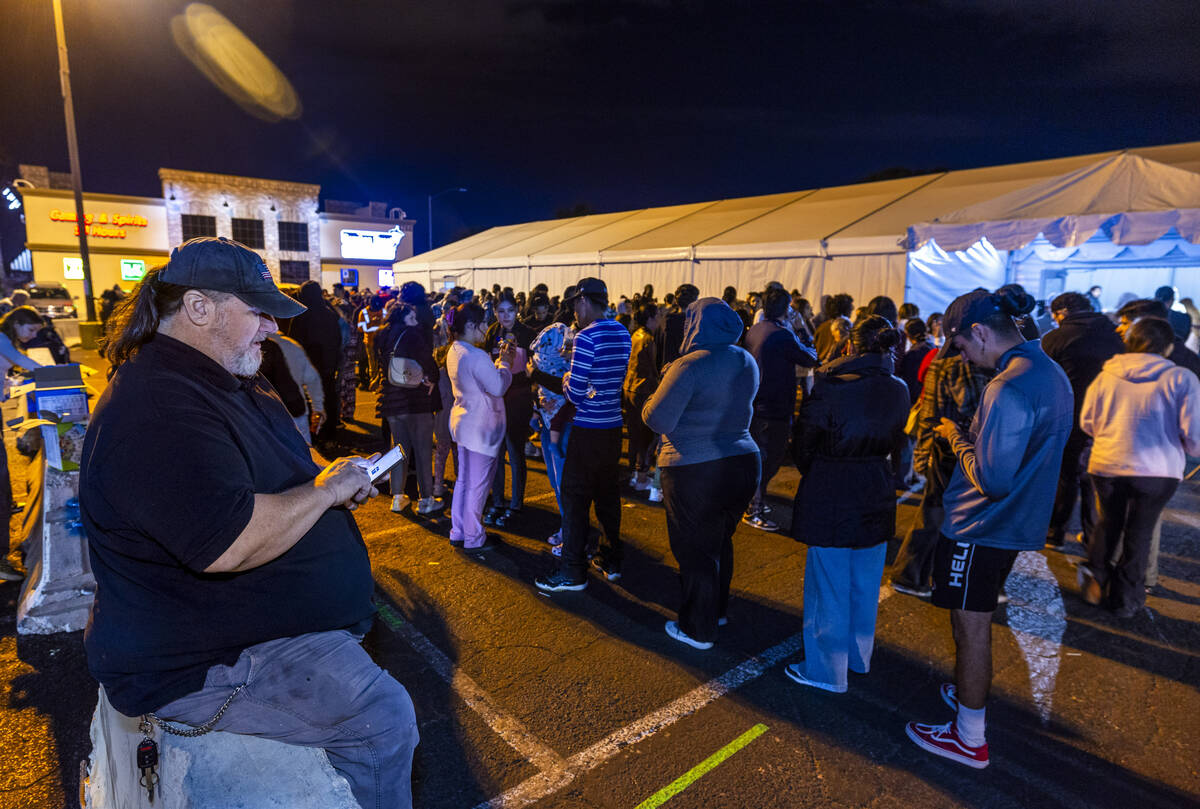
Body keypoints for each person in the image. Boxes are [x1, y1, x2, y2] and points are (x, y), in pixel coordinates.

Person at [79, 237, 418, 808]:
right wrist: (325, 492)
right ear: (198, 308)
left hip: (242, 630)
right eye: (257, 312)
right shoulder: (157, 406)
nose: (270, 328)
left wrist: (325, 483)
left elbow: (273, 470)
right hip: (200, 661)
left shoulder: (221, 374)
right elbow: (227, 540)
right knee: (383, 719)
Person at [906, 287, 1071, 770]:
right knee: (975, 619)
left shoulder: (1010, 386)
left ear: (978, 332)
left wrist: (957, 438)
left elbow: (994, 480)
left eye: (959, 345)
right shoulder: (1048, 371)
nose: (962, 355)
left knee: (970, 626)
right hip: (1013, 523)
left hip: (980, 525)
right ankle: (967, 693)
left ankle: (968, 735)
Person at [784, 314, 908, 693]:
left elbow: (803, 444)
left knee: (829, 583)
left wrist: (817, 469)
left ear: (850, 345)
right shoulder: (898, 387)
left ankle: (826, 671)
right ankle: (858, 657)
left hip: (834, 483)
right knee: (864, 581)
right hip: (876, 482)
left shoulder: (831, 385)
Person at [642, 298, 760, 649]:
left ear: (696, 324)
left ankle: (697, 628)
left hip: (695, 466)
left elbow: (657, 418)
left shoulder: (687, 366)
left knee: (695, 550)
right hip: (743, 460)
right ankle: (717, 611)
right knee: (721, 541)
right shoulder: (745, 359)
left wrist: (653, 394)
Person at [1077, 318, 1200, 617]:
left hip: (1108, 463)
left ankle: (1095, 580)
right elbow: (1194, 436)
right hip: (1157, 470)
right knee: (1140, 532)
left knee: (1108, 523)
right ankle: (1125, 600)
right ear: (1168, 345)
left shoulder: (1106, 376)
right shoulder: (1181, 379)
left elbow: (1087, 423)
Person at [536, 278, 632, 591]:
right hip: (612, 426)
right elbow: (607, 382)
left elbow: (576, 393)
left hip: (588, 427)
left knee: (575, 499)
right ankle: (610, 559)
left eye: (576, 305)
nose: (574, 312)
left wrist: (566, 377)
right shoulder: (622, 332)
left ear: (585, 302)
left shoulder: (586, 337)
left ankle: (572, 571)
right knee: (607, 496)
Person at [889, 351, 993, 599]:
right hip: (950, 450)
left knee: (942, 515)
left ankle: (921, 574)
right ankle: (910, 575)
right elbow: (933, 414)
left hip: (960, 450)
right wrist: (924, 456)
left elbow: (930, 414)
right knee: (935, 514)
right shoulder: (955, 367)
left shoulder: (979, 364)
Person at [1040, 292, 1125, 550]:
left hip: (1067, 415)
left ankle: (1056, 531)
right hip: (1109, 417)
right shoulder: (1116, 335)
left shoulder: (1055, 338)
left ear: (1062, 312)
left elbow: (1043, 379)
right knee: (1096, 478)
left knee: (1065, 475)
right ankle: (1093, 537)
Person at [742, 287, 818, 531]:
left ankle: (755, 504)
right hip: (774, 406)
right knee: (770, 460)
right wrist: (800, 327)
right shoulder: (781, 334)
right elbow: (811, 356)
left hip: (756, 403)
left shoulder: (756, 330)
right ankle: (754, 510)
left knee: (760, 458)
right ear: (787, 309)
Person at [446, 302, 514, 551]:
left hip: (463, 423)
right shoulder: (475, 355)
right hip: (480, 428)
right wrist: (505, 364)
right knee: (477, 485)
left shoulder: (455, 350)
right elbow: (497, 387)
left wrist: (495, 364)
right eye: (484, 323)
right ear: (473, 326)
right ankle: (474, 537)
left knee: (464, 481)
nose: (487, 327)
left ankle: (459, 530)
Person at [376, 302, 443, 515]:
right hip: (415, 400)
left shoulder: (382, 334)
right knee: (423, 450)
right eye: (411, 316)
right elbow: (428, 361)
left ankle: (397, 497)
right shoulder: (413, 335)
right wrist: (432, 378)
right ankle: (426, 499)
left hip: (392, 400)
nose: (415, 320)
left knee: (399, 449)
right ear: (403, 317)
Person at [483, 292, 536, 528]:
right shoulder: (492, 332)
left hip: (519, 399)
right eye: (501, 311)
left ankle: (516, 504)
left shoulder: (527, 333)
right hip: (496, 400)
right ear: (495, 312)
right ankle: (497, 501)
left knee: (515, 452)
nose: (506, 316)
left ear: (517, 310)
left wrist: (535, 403)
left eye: (510, 311)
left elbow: (536, 370)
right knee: (496, 453)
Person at [285, 281, 344, 441]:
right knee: (329, 397)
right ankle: (330, 432)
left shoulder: (301, 315)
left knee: (312, 399)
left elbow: (294, 342)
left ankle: (315, 434)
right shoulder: (330, 314)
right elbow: (338, 339)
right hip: (328, 365)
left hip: (309, 366)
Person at [623, 302, 660, 492]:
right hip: (643, 390)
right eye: (658, 316)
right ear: (651, 318)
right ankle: (642, 476)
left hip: (629, 388)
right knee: (646, 437)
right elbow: (653, 368)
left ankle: (633, 473)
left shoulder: (635, 335)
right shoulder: (648, 339)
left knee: (634, 435)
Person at [265, 330, 325, 444]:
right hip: (295, 409)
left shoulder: (252, 347)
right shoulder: (291, 345)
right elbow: (313, 379)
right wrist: (318, 409)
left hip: (270, 415)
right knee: (305, 451)